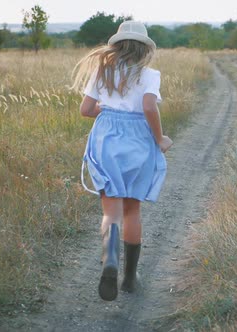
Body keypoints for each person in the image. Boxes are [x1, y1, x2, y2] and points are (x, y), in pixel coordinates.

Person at [72, 21, 173, 301]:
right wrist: (160, 138)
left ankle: (110, 261)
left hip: (107, 139)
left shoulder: (102, 71)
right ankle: (129, 278)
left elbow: (86, 110)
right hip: (139, 139)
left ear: (116, 46)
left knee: (111, 211)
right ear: (144, 50)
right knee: (132, 211)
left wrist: (108, 109)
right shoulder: (150, 75)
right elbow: (149, 106)